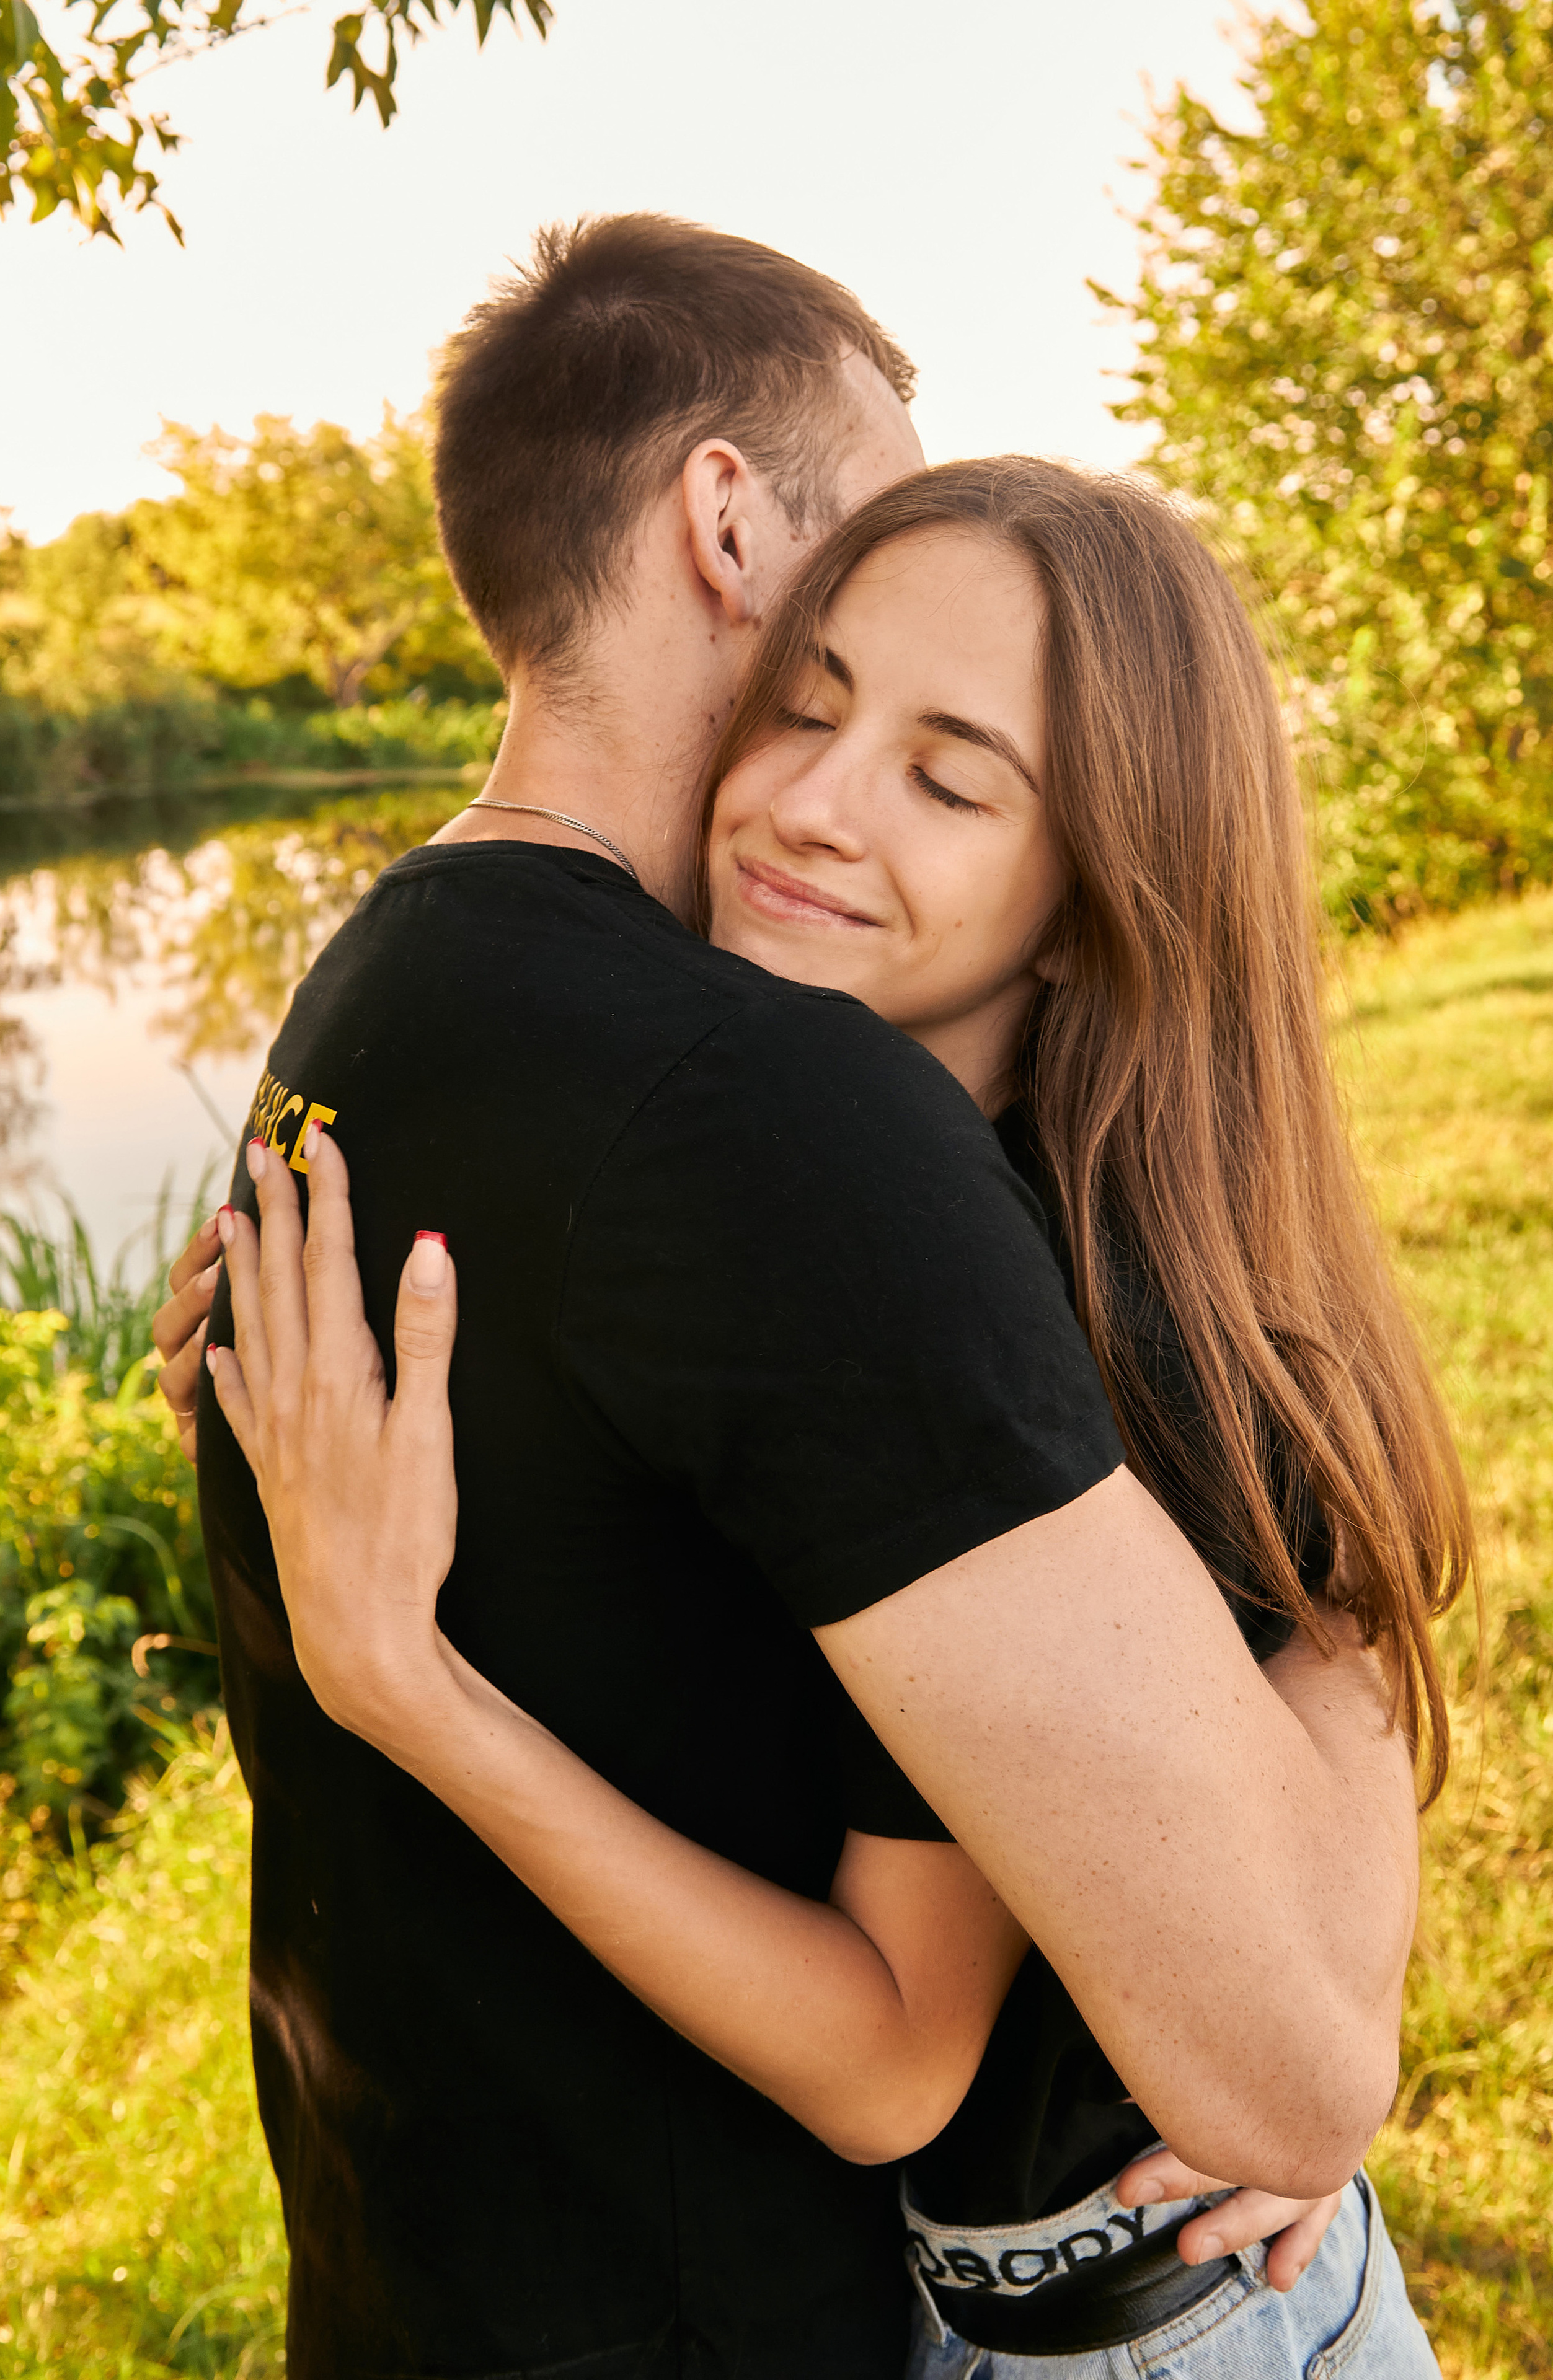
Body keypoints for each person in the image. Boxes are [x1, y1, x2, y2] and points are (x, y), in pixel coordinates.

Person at [149, 220, 1448, 2379]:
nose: (826, 792)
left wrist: (407, 1685)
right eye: (832, 676)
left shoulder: (391, 992)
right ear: (732, 523)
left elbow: (1284, 2046)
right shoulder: (776, 1122)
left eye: (954, 774)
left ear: (1087, 877)